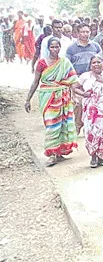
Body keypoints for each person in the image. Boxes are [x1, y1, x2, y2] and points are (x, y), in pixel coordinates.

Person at [24, 38, 85, 166]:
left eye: (57, 47)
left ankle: (59, 151)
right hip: (48, 98)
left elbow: (73, 82)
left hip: (63, 98)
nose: (55, 49)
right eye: (52, 47)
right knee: (51, 125)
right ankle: (51, 153)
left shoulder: (65, 62)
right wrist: (28, 99)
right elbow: (36, 81)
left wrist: (83, 93)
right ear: (48, 48)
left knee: (62, 124)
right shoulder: (42, 63)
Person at [78, 55, 103, 167]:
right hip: (90, 112)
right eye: (94, 62)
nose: (96, 64)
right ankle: (93, 157)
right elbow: (74, 87)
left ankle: (102, 157)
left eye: (99, 62)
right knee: (91, 132)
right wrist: (83, 94)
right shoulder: (85, 76)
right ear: (90, 65)